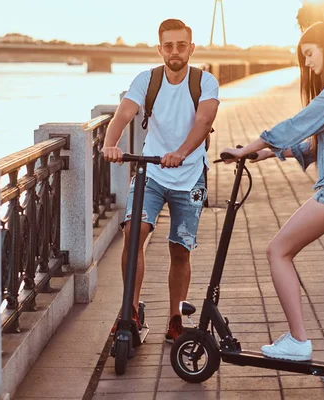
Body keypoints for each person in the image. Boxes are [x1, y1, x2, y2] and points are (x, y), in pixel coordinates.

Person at [220, 21, 324, 381]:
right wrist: (269, 156)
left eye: (310, 54)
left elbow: (298, 124)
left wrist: (250, 146)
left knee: (278, 251)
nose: (308, 64)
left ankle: (297, 340)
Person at [101, 18, 220, 342]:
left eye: (182, 45)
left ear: (191, 48)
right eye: (168, 46)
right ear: (160, 49)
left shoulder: (205, 82)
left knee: (180, 250)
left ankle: (175, 317)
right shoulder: (147, 79)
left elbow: (204, 119)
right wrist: (109, 144)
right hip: (151, 172)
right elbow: (123, 114)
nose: (175, 52)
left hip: (191, 174)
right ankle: (131, 311)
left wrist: (181, 152)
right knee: (133, 233)